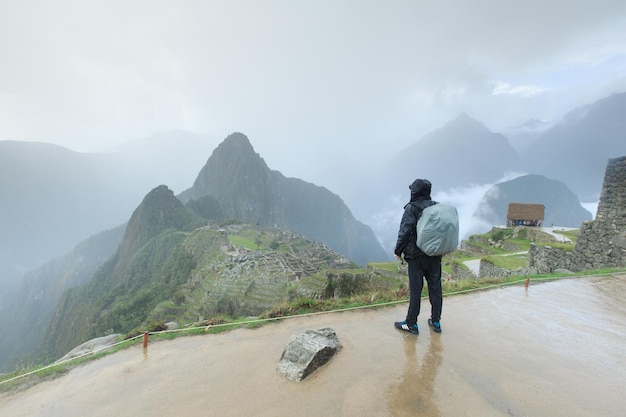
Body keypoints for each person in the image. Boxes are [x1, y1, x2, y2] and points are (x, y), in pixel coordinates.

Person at [394, 179, 443, 334]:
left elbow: (405, 231)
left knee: (416, 290)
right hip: (434, 255)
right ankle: (436, 321)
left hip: (416, 257)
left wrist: (398, 250)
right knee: (435, 288)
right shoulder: (436, 207)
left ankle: (411, 324)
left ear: (414, 192)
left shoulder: (411, 208)